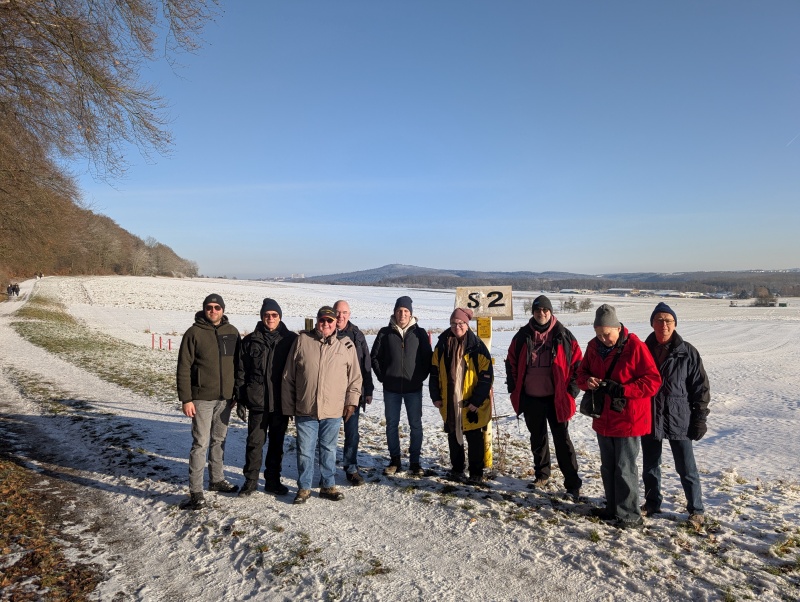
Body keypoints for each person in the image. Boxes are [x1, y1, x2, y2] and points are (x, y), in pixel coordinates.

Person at [577, 304, 661, 529]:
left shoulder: (635, 346)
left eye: (607, 334)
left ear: (617, 328)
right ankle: (612, 508)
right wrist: (588, 382)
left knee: (624, 468)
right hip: (603, 417)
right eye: (599, 334)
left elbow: (653, 381)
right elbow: (581, 373)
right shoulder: (593, 347)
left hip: (628, 418)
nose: (603, 339)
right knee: (608, 467)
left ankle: (630, 516)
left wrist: (624, 390)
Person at [505, 295, 583, 498]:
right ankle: (542, 474)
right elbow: (511, 361)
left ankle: (572, 482)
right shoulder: (522, 336)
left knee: (562, 441)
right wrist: (514, 388)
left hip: (557, 398)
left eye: (545, 310)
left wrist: (571, 391)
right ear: (533, 312)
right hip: (531, 397)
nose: (542, 313)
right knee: (538, 439)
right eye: (538, 310)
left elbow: (578, 365)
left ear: (551, 312)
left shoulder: (564, 335)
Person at [282, 306, 362, 504]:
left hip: (333, 410)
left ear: (335, 323)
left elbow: (355, 378)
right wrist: (288, 406)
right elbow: (288, 376)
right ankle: (304, 487)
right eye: (322, 320)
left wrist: (351, 403)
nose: (326, 324)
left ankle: (328, 485)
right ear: (317, 321)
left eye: (330, 320)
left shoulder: (346, 345)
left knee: (329, 449)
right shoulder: (302, 341)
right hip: (305, 408)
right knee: (305, 451)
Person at [641, 302, 710, 527]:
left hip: (679, 418)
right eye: (659, 320)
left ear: (675, 324)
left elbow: (700, 388)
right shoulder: (643, 350)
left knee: (686, 468)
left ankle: (696, 509)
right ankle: (652, 503)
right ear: (652, 323)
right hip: (649, 416)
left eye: (668, 321)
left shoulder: (687, 352)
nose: (664, 325)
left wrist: (699, 418)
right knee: (650, 466)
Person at [177, 294, 241, 510]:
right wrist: (186, 399)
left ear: (223, 309)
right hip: (201, 398)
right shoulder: (193, 333)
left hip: (225, 398)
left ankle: (217, 479)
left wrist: (235, 393)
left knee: (219, 439)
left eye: (217, 307)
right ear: (204, 309)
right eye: (209, 307)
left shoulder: (232, 332)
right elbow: (183, 367)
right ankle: (196, 491)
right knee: (200, 443)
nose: (213, 311)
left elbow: (237, 365)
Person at [236, 298, 298, 497]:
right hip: (258, 402)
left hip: (280, 402)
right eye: (267, 315)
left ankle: (273, 480)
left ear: (280, 317)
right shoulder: (250, 340)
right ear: (262, 316)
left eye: (274, 315)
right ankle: (250, 481)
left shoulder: (291, 340)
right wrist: (240, 398)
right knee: (254, 443)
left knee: (277, 444)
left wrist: (295, 401)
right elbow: (241, 371)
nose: (270, 318)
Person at [371, 295, 432, 476]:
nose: (402, 314)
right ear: (394, 312)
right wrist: (383, 377)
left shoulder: (420, 333)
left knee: (415, 425)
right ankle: (395, 460)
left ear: (410, 313)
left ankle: (415, 462)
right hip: (391, 389)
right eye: (399, 310)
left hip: (414, 389)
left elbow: (428, 359)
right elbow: (374, 357)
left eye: (405, 311)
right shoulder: (385, 333)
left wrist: (419, 378)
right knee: (391, 425)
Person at [430, 308, 493, 484]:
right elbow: (434, 372)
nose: (457, 327)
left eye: (460, 323)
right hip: (449, 400)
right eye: (453, 323)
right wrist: (435, 396)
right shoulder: (442, 345)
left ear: (467, 324)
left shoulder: (477, 346)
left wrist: (476, 401)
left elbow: (486, 377)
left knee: (474, 438)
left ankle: (476, 473)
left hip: (471, 403)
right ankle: (457, 470)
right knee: (453, 435)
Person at [334, 300, 375, 486]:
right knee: (328, 434)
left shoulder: (357, 335)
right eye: (337, 312)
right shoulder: (326, 331)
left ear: (349, 315)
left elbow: (366, 363)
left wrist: (368, 389)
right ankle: (326, 469)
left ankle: (351, 468)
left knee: (352, 433)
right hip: (330, 393)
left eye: (344, 312)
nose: (340, 316)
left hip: (352, 392)